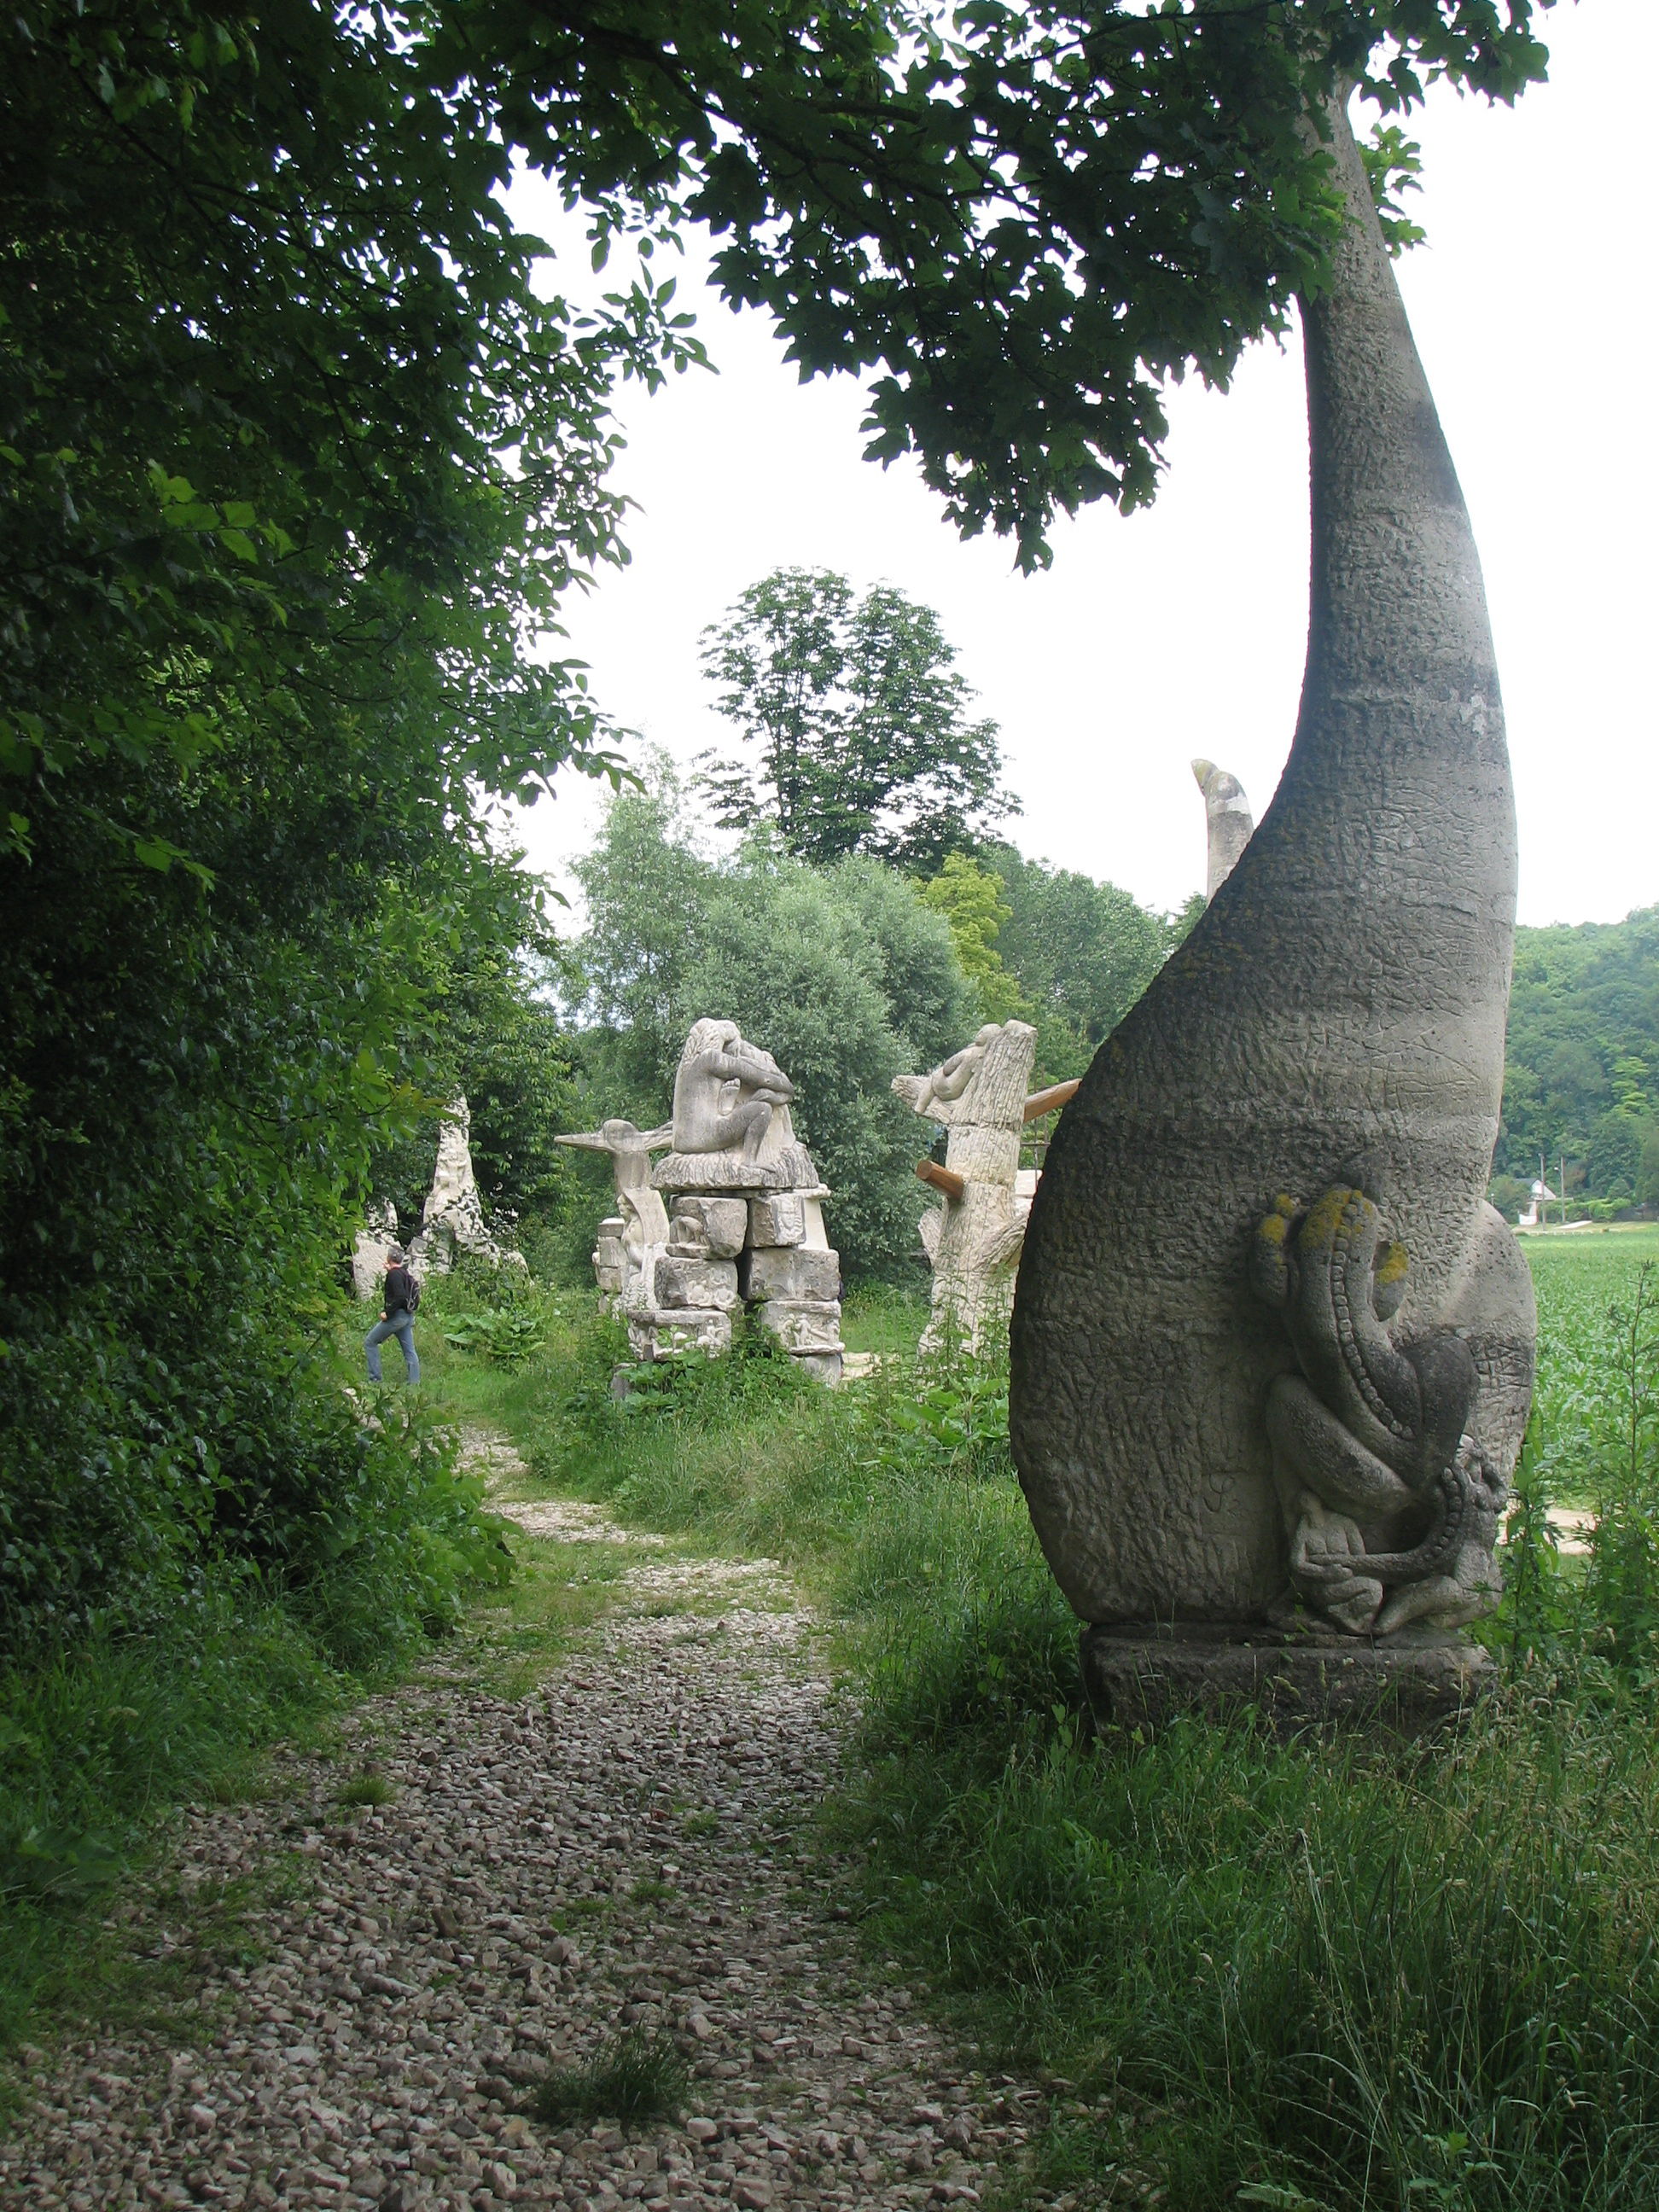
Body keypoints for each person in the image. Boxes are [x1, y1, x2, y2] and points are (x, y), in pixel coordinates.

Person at [364, 1246, 421, 1385]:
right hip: (408, 1316)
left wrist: (387, 1313)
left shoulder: (393, 1274)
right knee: (409, 1351)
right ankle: (415, 1383)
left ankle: (375, 1379)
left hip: (397, 1316)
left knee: (370, 1342)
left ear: (388, 1258)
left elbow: (400, 1296)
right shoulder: (404, 1273)